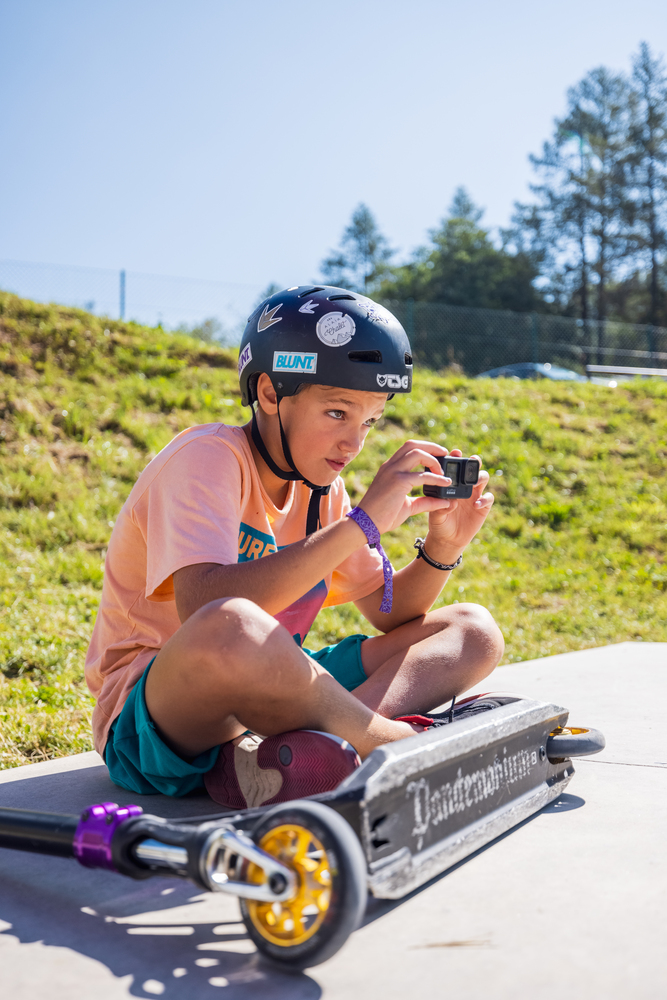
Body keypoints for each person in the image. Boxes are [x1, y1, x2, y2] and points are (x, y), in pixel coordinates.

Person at [85, 286, 504, 808]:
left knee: (472, 630)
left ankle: (315, 750)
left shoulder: (323, 489)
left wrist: (443, 547)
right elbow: (204, 610)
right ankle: (387, 743)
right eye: (337, 413)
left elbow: (388, 612)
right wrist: (362, 523)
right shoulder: (208, 457)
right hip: (156, 719)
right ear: (268, 393)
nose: (354, 443)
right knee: (232, 624)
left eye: (370, 421)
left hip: (273, 692)